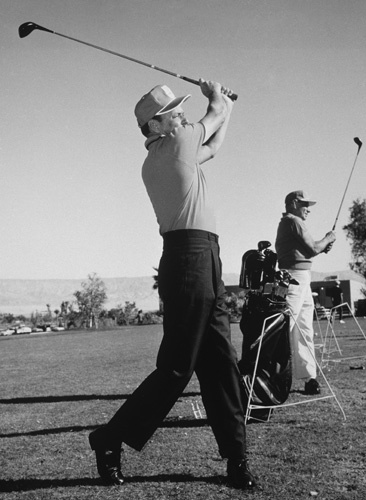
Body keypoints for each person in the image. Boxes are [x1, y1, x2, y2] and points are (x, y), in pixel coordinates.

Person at [88, 80, 256, 490]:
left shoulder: (169, 151)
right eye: (174, 110)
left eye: (182, 108)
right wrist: (216, 94)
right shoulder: (175, 142)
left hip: (206, 256)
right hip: (188, 259)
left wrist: (228, 105)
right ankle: (110, 438)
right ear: (155, 125)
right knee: (178, 367)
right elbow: (211, 116)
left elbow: (213, 146)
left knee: (221, 363)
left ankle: (236, 458)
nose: (182, 113)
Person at [275, 190, 336, 395]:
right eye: (304, 204)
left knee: (304, 329)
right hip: (294, 278)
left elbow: (309, 250)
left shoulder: (289, 222)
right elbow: (312, 249)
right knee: (285, 328)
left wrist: (322, 245)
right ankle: (267, 375)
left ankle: (310, 378)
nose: (308, 209)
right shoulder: (294, 221)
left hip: (300, 277)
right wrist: (328, 238)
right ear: (293, 203)